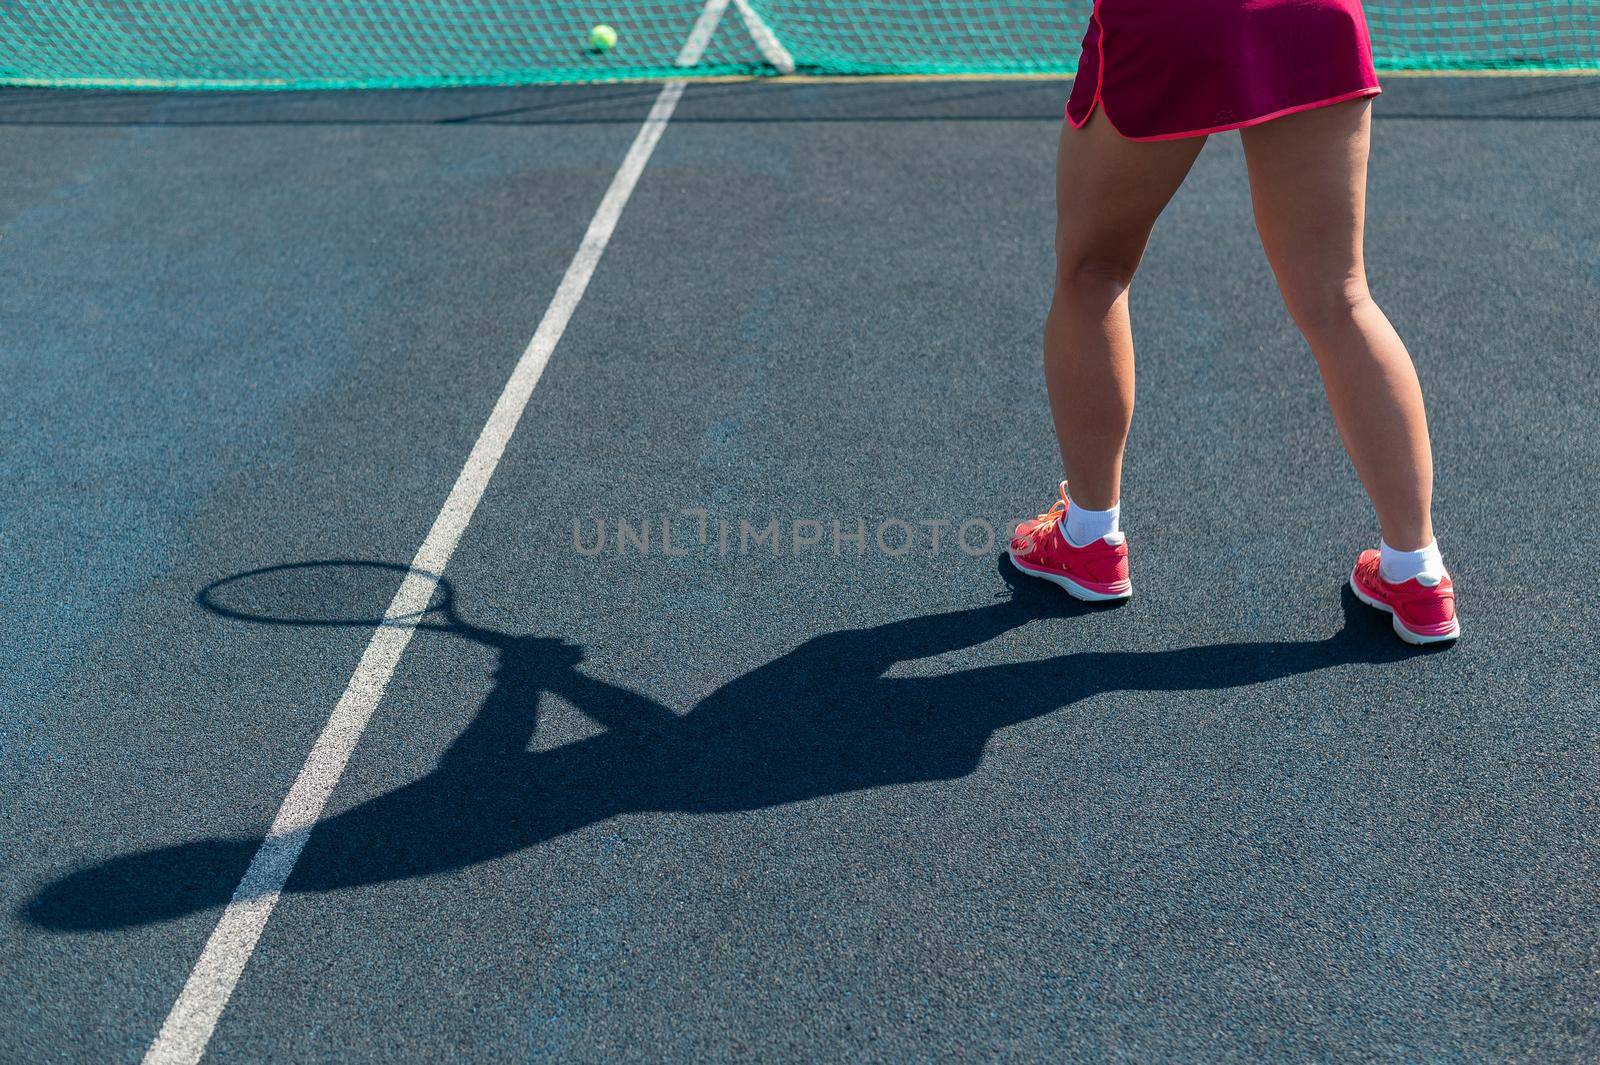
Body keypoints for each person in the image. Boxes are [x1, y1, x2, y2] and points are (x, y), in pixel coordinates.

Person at [1007, 0, 1460, 645]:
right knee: (1341, 298)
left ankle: (1087, 539)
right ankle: (1416, 572)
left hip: (1172, 20)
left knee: (1093, 272)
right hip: (1311, 15)